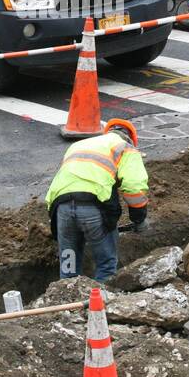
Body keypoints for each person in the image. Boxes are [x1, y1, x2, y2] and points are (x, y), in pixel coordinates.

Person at [46, 119, 149, 281]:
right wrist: (139, 219)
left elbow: (61, 181)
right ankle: (100, 305)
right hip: (93, 211)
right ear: (131, 139)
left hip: (62, 210)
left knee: (69, 270)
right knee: (106, 266)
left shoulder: (77, 146)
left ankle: (66, 305)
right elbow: (134, 187)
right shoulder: (126, 148)